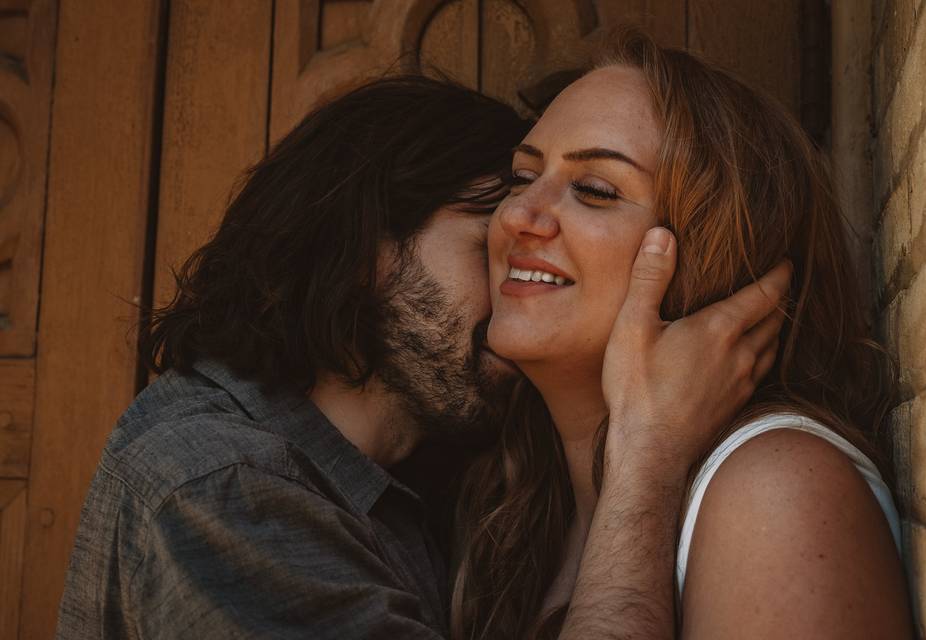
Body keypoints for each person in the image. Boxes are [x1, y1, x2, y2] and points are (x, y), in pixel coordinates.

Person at [56, 75, 786, 639]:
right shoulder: (221, 488)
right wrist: (648, 458)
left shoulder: (437, 486)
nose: (514, 296)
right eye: (485, 250)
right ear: (366, 253)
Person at [452, 29, 914, 639]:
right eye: (520, 177)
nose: (515, 215)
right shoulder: (518, 500)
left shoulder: (777, 492)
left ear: (713, 258)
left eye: (594, 190)